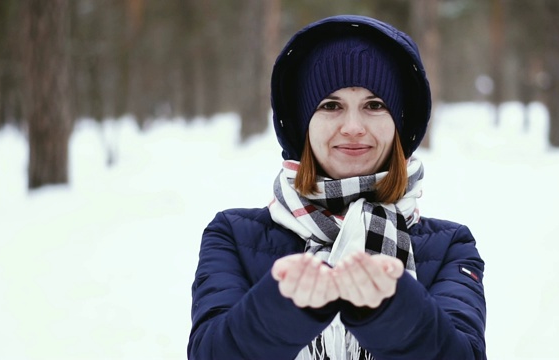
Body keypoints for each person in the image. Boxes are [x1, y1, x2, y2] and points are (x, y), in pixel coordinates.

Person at [188, 15, 486, 360]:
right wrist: (282, 308)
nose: (353, 127)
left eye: (374, 106)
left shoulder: (451, 245)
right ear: (304, 125)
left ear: (398, 124)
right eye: (331, 106)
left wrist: (392, 309)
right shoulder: (232, 236)